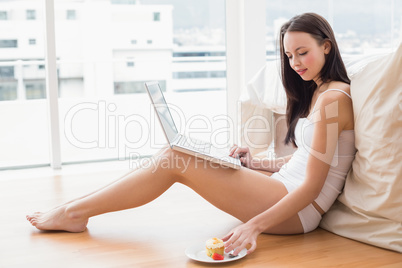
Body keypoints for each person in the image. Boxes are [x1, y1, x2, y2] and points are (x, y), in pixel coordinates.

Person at [26, 13, 356, 256]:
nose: (295, 62)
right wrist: (257, 163)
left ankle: (73, 213)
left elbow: (312, 185)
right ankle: (73, 207)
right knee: (175, 153)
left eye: (303, 52)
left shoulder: (333, 100)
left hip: (297, 209)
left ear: (326, 46)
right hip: (283, 190)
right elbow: (308, 158)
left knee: (175, 157)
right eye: (288, 55)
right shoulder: (321, 92)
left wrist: (252, 226)